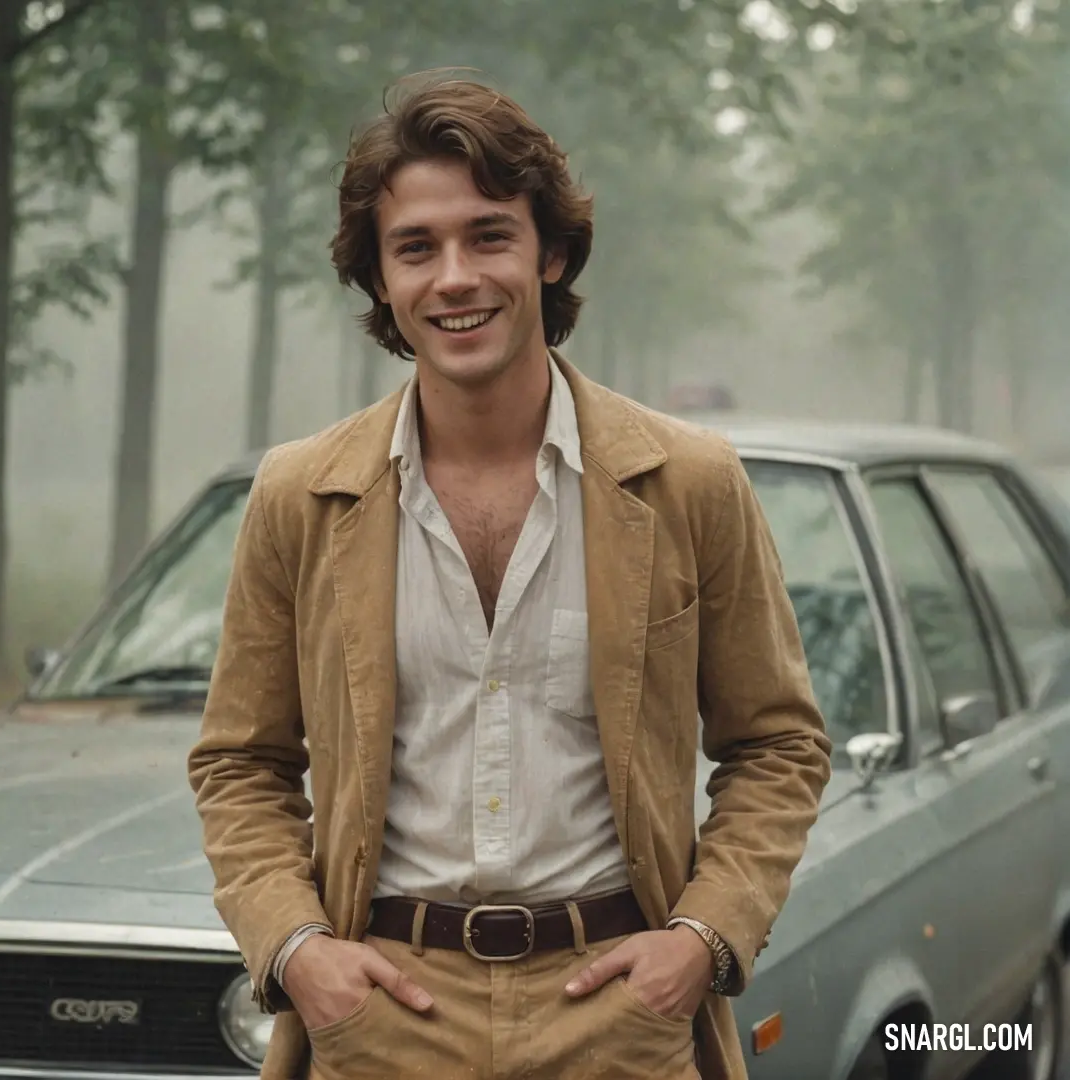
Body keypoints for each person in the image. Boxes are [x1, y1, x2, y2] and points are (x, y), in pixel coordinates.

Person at [188, 72, 831, 1080]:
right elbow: (241, 763)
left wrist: (702, 939)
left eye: (489, 235)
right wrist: (297, 949)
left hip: (619, 1013)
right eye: (416, 248)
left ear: (551, 253)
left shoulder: (688, 482)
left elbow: (777, 744)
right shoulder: (300, 495)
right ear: (381, 282)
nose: (454, 277)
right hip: (383, 1018)